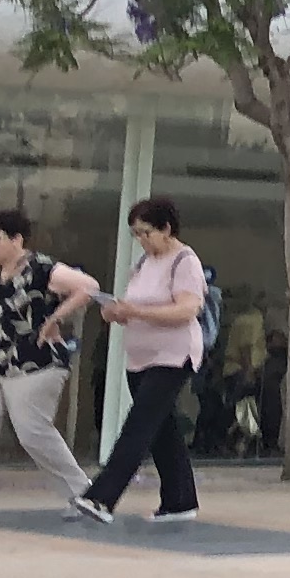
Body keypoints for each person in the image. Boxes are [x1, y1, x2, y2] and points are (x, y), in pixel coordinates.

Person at [0, 209, 100, 522]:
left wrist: (56, 318)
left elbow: (89, 287)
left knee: (33, 433)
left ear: (17, 239)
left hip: (33, 364)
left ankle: (83, 492)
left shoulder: (42, 268)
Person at [77, 197, 209, 524]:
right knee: (163, 429)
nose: (142, 240)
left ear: (166, 229)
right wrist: (116, 311)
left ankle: (102, 497)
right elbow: (132, 304)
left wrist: (135, 311)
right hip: (140, 358)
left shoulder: (185, 261)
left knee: (139, 425)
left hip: (172, 356)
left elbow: (187, 309)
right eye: (136, 234)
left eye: (146, 233)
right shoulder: (143, 263)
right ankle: (180, 500)